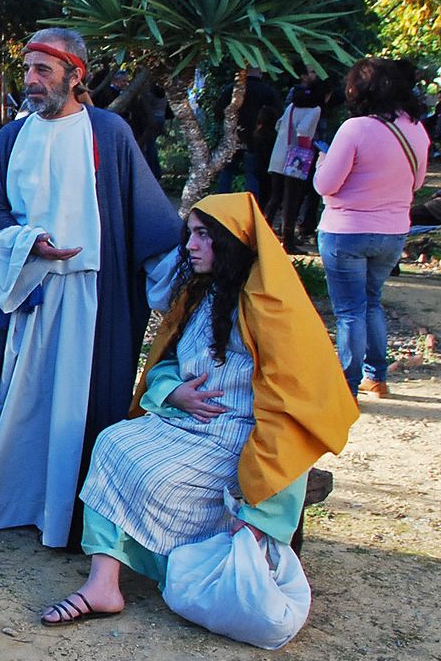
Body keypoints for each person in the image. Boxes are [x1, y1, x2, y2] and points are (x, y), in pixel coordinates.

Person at [0, 28, 183, 547]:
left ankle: (72, 519)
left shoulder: (110, 135)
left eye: (43, 70)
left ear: (75, 75)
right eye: (28, 70)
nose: (31, 82)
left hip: (91, 302)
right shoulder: (10, 139)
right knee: (10, 404)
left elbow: (148, 220)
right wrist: (29, 243)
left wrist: (188, 275)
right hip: (23, 293)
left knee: (78, 410)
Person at [40, 193, 359, 628]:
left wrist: (259, 509)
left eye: (204, 236)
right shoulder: (200, 294)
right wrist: (175, 393)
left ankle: (183, 565)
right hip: (185, 422)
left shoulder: (274, 310)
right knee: (114, 442)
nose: (190, 246)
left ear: (233, 242)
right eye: (190, 234)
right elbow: (168, 362)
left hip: (237, 438)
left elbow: (291, 413)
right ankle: (104, 584)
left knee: (155, 474)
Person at [314, 58, 432, 398]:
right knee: (371, 303)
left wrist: (322, 164)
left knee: (350, 310)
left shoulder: (354, 129)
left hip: (346, 230)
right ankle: (376, 377)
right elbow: (418, 180)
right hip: (393, 230)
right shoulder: (415, 129)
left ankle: (346, 387)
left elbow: (326, 184)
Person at [263, 77, 325, 253]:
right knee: (291, 199)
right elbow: (304, 130)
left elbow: (278, 125)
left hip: (278, 155)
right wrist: (307, 148)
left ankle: (263, 232)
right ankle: (287, 240)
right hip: (296, 158)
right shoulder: (315, 110)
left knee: (275, 197)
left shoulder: (291, 107)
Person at [216, 67, 283, 200]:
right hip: (256, 138)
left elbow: (218, 111)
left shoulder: (232, 89)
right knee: (252, 174)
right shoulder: (267, 92)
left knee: (227, 171)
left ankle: (220, 203)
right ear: (260, 73)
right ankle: (250, 206)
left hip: (233, 135)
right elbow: (278, 115)